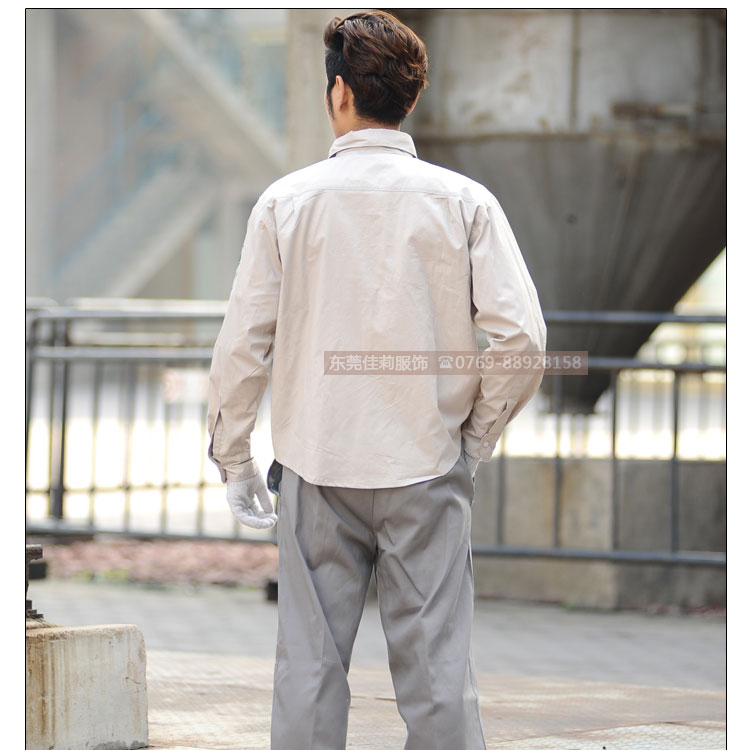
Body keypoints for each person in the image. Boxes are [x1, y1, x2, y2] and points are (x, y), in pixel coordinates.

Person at [207, 10, 546, 750]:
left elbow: (243, 345)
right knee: (438, 675)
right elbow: (523, 339)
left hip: (316, 465)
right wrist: (474, 439)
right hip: (426, 463)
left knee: (309, 668)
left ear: (338, 93)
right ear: (410, 97)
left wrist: (234, 459)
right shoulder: (466, 203)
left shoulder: (285, 203)